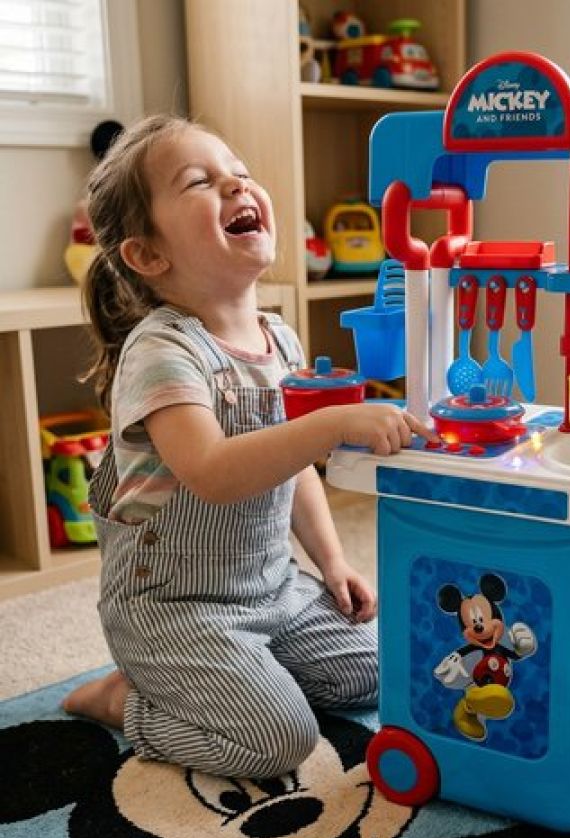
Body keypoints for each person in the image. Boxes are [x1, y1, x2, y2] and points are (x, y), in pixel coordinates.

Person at [62, 114, 434, 777]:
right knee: (277, 741)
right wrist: (331, 424)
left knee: (381, 670)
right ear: (148, 255)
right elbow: (212, 472)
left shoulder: (280, 340)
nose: (236, 185)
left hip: (269, 587)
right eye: (200, 182)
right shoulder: (162, 350)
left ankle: (248, 670)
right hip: (174, 607)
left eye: (239, 172)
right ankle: (127, 699)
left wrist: (332, 562)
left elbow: (293, 469)